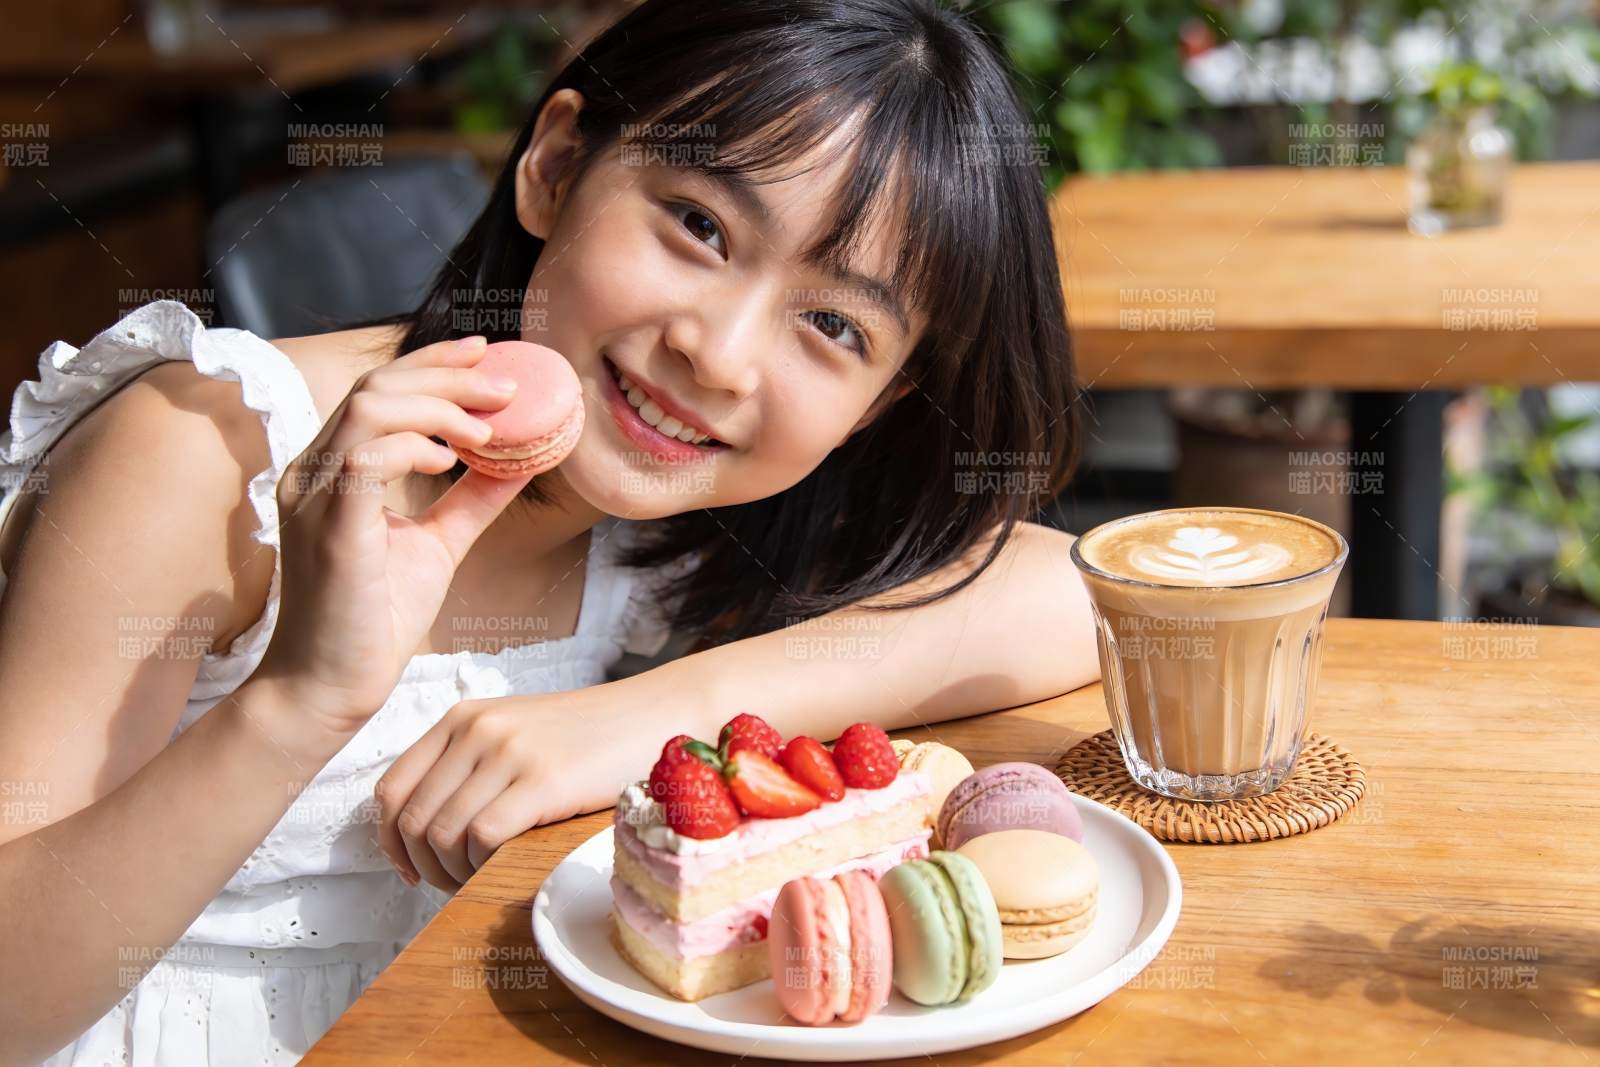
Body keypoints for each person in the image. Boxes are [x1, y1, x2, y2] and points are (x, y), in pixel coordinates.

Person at [0, 0, 1097, 1063]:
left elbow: (1073, 592)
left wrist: (624, 720)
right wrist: (297, 700)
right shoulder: (207, 451)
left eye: (830, 324)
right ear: (557, 164)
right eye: (700, 226)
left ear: (880, 402)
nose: (717, 356)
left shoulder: (687, 512)